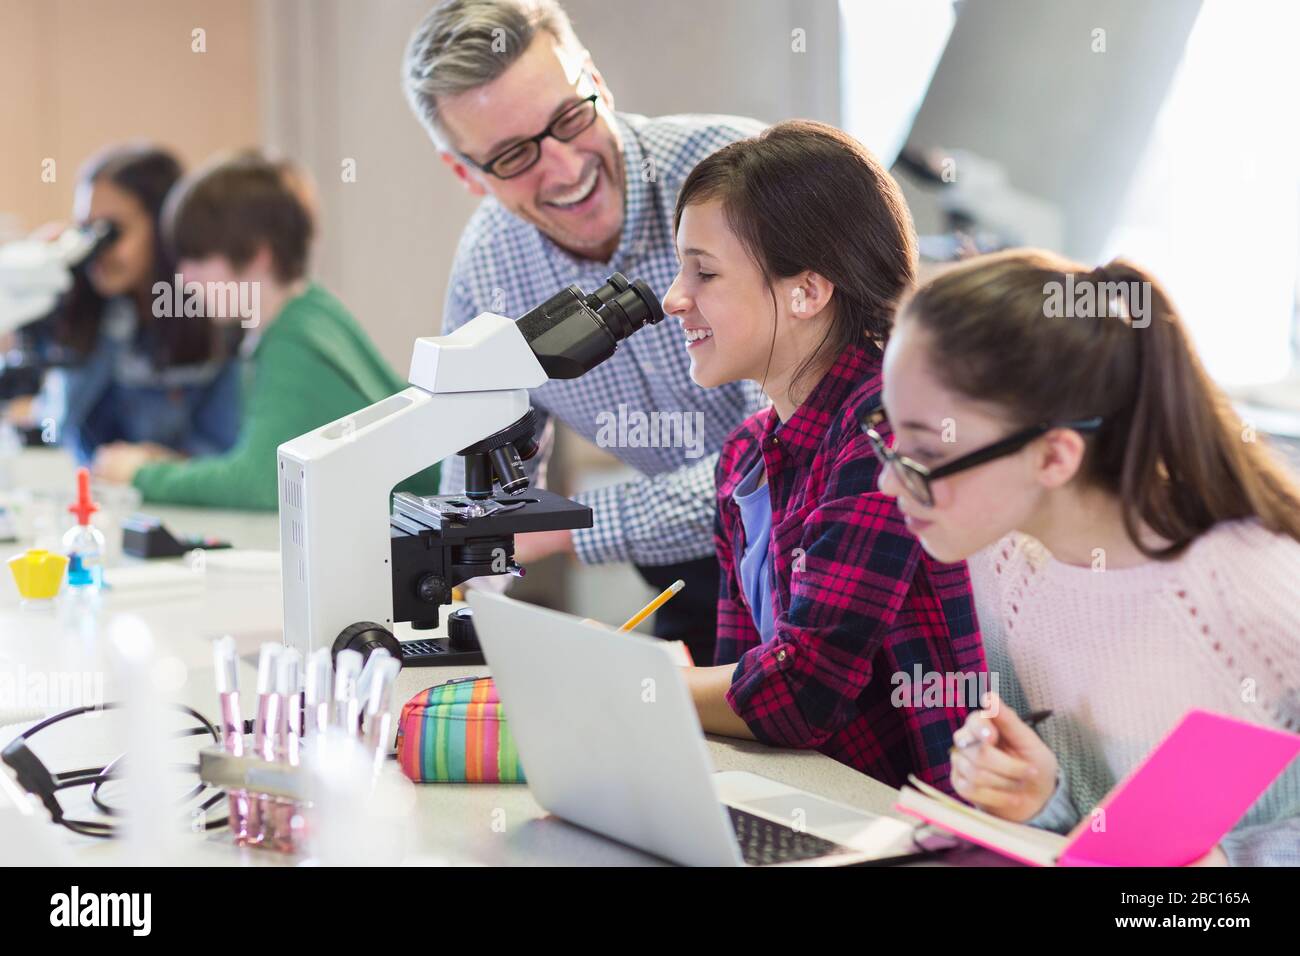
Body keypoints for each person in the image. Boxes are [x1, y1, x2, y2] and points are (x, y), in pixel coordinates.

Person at [873, 249, 1300, 864]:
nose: (891, 484)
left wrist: (1231, 861)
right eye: (889, 436)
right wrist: (1040, 796)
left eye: (926, 456)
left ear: (1054, 457)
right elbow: (1104, 839)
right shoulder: (1000, 556)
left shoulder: (1254, 585)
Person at [402, 0, 768, 663]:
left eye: (570, 117)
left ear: (595, 80)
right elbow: (479, 494)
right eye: (514, 156)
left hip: (825, 573)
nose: (566, 168)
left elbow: (782, 471)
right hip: (690, 584)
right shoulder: (490, 267)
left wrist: (566, 531)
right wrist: (456, 617)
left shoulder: (738, 178)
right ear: (466, 175)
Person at [663, 120, 986, 791]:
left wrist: (646, 684)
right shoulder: (746, 454)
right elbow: (741, 682)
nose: (675, 299)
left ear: (807, 291)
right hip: (795, 795)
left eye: (705, 273)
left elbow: (801, 694)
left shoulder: (886, 434)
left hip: (898, 819)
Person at [92, 151, 438, 508]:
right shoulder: (310, 309)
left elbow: (260, 486)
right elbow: (261, 464)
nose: (184, 278)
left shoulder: (293, 340)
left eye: (199, 258)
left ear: (258, 253)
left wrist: (139, 475)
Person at [33, 144, 241, 462]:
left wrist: (155, 467)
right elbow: (60, 425)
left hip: (179, 503)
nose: (96, 249)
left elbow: (226, 458)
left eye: (110, 232)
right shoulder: (96, 313)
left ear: (162, 227)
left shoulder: (214, 318)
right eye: (87, 230)